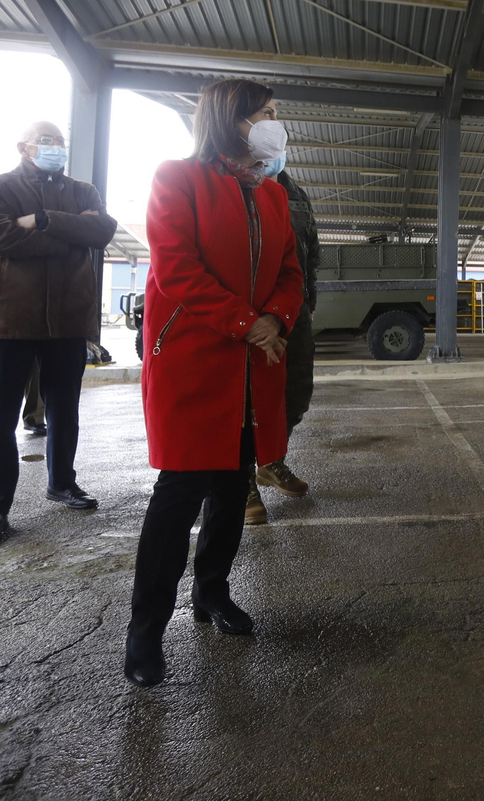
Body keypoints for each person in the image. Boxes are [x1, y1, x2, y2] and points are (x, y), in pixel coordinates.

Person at [124, 79, 303, 687]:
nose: (276, 124)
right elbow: (176, 267)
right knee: (179, 496)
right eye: (266, 114)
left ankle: (212, 592)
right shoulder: (177, 178)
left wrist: (275, 319)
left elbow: (289, 271)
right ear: (232, 119)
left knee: (231, 490)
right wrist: (246, 323)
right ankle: (146, 630)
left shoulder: (273, 195)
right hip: (196, 360)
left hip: (255, 363)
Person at [0, 120, 117, 546]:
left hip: (68, 319)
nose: (55, 147)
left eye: (59, 141)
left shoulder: (83, 190)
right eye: (46, 141)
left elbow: (101, 231)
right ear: (23, 147)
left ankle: (62, 483)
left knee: (65, 407)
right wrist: (69, 235)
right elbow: (0, 238)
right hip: (9, 320)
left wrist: (43, 220)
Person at [243, 156, 316, 524]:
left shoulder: (296, 194)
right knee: (248, 399)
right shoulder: (239, 186)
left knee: (296, 392)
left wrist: (308, 303)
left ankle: (270, 461)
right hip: (251, 312)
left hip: (293, 310)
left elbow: (310, 254)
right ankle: (242, 482)